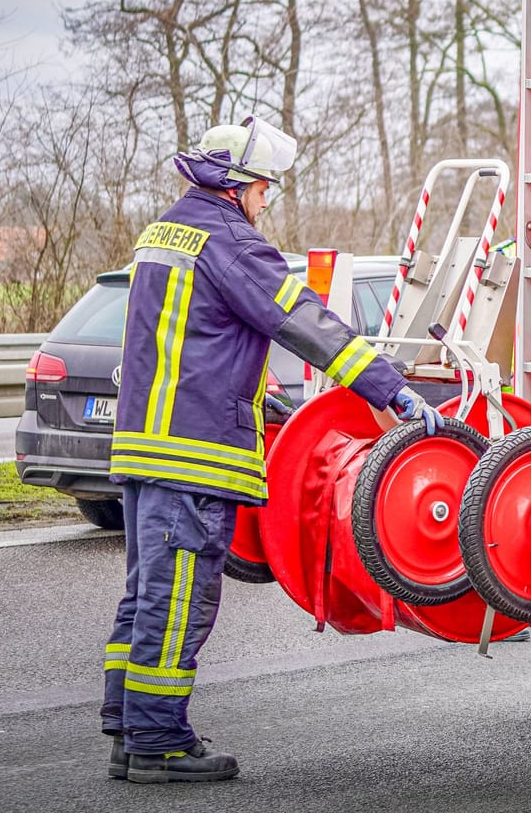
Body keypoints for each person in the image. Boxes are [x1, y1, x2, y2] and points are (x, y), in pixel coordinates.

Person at [99, 117, 436, 784]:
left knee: (145, 593)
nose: (264, 203)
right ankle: (158, 741)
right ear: (235, 186)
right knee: (179, 599)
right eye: (262, 190)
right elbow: (305, 322)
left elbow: (197, 344)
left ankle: (128, 726)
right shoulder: (231, 243)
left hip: (144, 449)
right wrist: (391, 390)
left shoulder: (163, 232)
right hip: (190, 454)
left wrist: (263, 402)